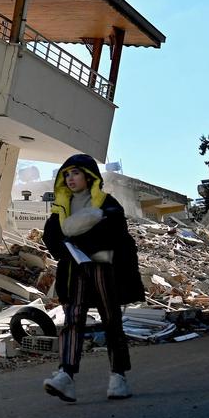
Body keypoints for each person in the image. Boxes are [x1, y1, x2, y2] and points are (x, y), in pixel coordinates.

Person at [41, 153, 144, 402]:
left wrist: (75, 236)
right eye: (66, 174)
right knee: (73, 319)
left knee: (111, 319)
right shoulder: (61, 208)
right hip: (74, 269)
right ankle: (66, 375)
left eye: (75, 173)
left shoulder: (108, 203)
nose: (70, 178)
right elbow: (52, 238)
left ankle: (118, 377)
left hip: (103, 267)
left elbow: (113, 232)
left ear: (89, 176)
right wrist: (80, 234)